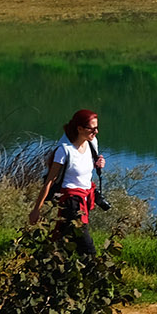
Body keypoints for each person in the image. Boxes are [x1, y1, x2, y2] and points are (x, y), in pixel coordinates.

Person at [29, 109, 107, 257]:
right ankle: (94, 275)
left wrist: (98, 163)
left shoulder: (92, 143)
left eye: (97, 127)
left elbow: (86, 167)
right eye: (92, 128)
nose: (96, 131)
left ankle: (45, 269)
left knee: (62, 243)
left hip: (85, 198)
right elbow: (49, 182)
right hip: (71, 202)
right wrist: (36, 210)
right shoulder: (64, 151)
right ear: (80, 128)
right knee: (87, 248)